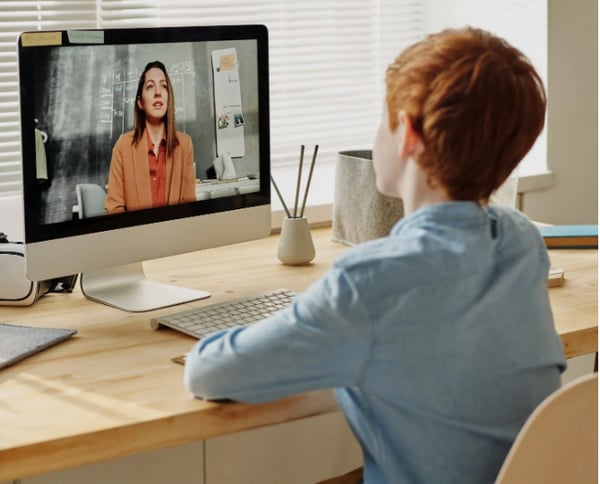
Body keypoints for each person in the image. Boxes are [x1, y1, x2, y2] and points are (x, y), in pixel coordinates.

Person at [183, 28, 566, 483]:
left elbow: (209, 374)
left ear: (407, 133)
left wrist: (291, 324)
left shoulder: (370, 283)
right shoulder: (521, 242)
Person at [105, 61, 196, 213]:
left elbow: (189, 208)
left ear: (169, 98)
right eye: (150, 86)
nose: (158, 92)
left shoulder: (185, 145)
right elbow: (114, 209)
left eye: (163, 86)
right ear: (140, 102)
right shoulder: (123, 146)